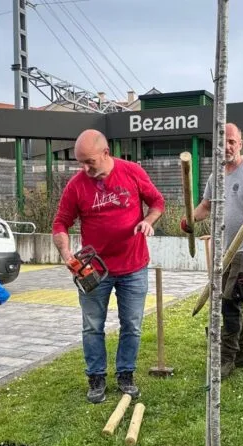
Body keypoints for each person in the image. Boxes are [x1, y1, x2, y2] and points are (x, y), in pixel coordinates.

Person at [52, 129, 165, 404]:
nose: (84, 168)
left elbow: (157, 202)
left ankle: (125, 374)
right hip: (94, 270)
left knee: (132, 325)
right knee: (92, 326)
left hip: (134, 266)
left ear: (106, 153)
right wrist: (66, 253)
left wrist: (149, 221)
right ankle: (96, 377)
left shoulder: (132, 172)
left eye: (89, 161)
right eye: (80, 162)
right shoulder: (77, 185)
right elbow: (60, 223)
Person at [181, 123, 243, 378]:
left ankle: (227, 357)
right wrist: (189, 219)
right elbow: (205, 206)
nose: (228, 146)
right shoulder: (216, 176)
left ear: (240, 143)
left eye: (232, 141)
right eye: (223, 142)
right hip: (225, 249)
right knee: (232, 299)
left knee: (229, 301)